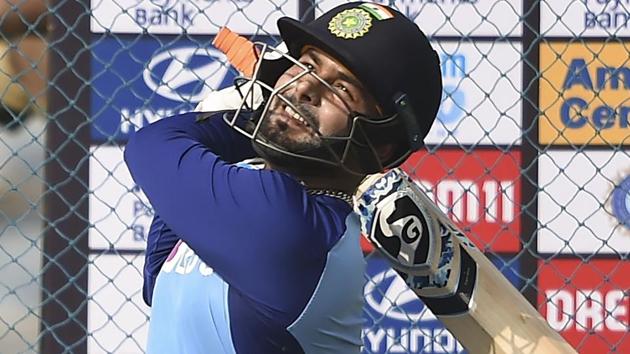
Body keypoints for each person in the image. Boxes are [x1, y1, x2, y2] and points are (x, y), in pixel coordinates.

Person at [124, 2, 442, 353]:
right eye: (307, 65)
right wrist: (268, 122)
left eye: (342, 90)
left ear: (381, 147)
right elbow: (158, 284)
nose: (306, 88)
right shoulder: (249, 187)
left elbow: (150, 144)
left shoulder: (295, 228)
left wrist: (245, 119)